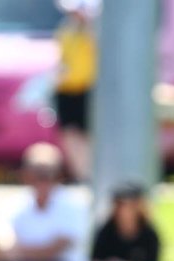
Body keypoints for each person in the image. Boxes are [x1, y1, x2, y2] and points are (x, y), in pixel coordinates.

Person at [0, 142, 89, 261]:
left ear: (58, 175)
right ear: (26, 175)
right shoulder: (12, 205)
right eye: (36, 174)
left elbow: (56, 250)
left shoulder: (74, 204)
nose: (42, 181)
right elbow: (1, 241)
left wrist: (17, 253)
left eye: (48, 174)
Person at [89, 181, 162, 261]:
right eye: (120, 204)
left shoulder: (149, 234)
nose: (125, 210)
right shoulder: (106, 231)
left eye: (130, 205)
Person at [53, 0, 98, 184]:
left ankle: (90, 172)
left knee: (88, 134)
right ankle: (81, 173)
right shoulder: (66, 29)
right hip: (66, 88)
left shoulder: (94, 30)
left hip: (87, 88)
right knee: (70, 134)